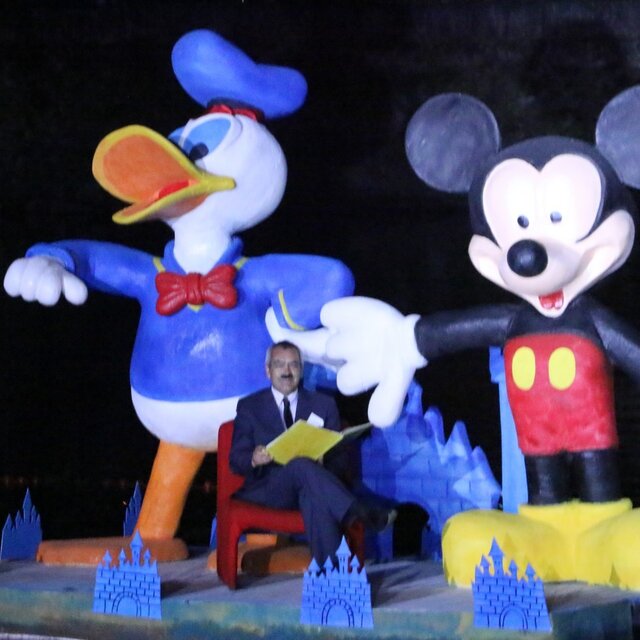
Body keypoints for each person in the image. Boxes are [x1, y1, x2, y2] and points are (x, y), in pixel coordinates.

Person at [230, 340, 395, 564]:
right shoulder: (250, 406)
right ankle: (357, 510)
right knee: (301, 466)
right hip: (269, 490)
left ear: (301, 370)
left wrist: (323, 462)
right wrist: (254, 458)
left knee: (312, 491)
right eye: (279, 364)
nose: (287, 371)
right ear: (268, 370)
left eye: (293, 365)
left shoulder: (323, 404)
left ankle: (332, 574)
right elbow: (236, 460)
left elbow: (340, 461)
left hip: (313, 485)